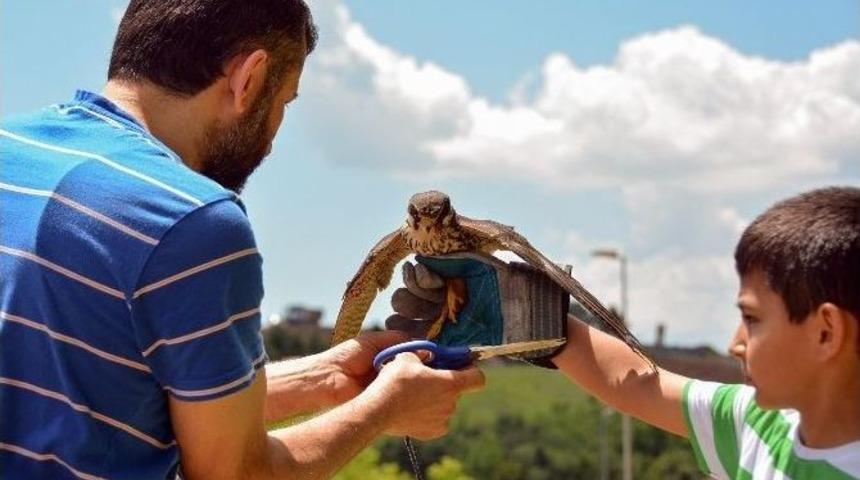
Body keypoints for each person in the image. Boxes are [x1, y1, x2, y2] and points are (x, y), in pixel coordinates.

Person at [0, 1, 484, 479]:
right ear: (248, 78)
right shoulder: (191, 222)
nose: (273, 137)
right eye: (285, 102)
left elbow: (111, 398)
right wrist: (382, 411)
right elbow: (234, 472)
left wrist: (324, 379)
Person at [391, 186, 860, 479]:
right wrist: (527, 321)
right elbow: (637, 382)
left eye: (752, 319)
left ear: (825, 332)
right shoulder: (754, 426)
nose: (735, 342)